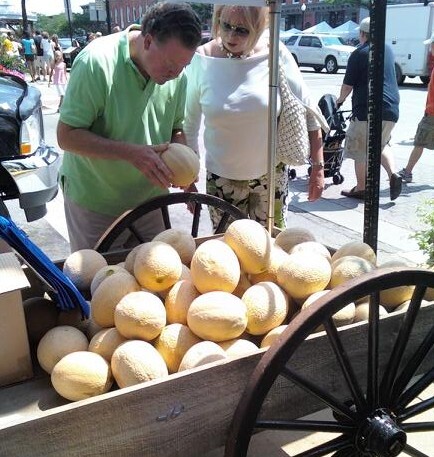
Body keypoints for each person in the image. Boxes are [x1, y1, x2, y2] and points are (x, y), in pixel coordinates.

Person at [57, 2, 202, 253]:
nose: (177, 74)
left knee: (158, 278)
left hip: (150, 202)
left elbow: (175, 129)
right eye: (170, 64)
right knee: (98, 283)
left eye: (184, 66)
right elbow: (66, 136)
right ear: (147, 41)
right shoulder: (96, 63)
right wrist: (131, 153)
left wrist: (184, 168)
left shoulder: (178, 76)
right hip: (95, 203)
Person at [184, 5, 327, 229]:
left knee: (272, 249)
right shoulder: (202, 60)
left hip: (271, 176)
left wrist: (318, 167)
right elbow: (189, 124)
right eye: (226, 25)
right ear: (217, 20)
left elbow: (308, 110)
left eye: (242, 30)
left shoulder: (275, 52)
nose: (231, 35)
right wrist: (188, 178)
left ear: (259, 28)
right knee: (228, 253)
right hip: (222, 180)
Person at [337, 17, 402, 201]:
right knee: (381, 144)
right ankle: (393, 174)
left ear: (362, 34)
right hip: (391, 109)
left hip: (367, 110)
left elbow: (347, 86)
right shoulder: (388, 50)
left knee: (360, 148)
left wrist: (339, 101)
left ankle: (362, 188)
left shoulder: (359, 53)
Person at [398, 34, 434, 183]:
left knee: (419, 142)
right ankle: (407, 171)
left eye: (432, 45)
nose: (430, 49)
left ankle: (407, 172)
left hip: (431, 114)